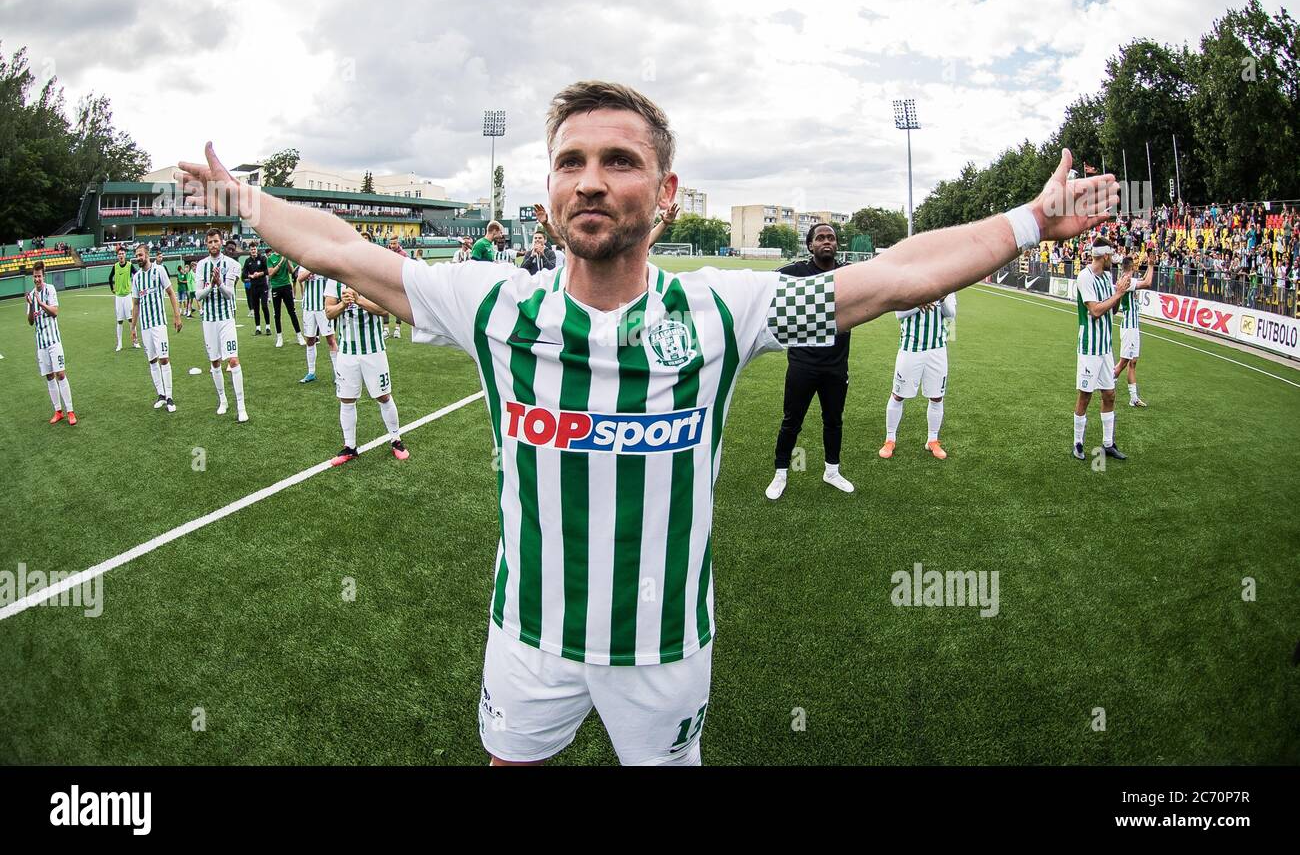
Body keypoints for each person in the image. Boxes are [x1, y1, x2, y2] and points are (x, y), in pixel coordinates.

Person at [178, 79, 1116, 767]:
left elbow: (892, 277)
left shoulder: (720, 313)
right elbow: (345, 251)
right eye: (571, 163)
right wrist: (246, 200)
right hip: (527, 634)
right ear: (548, 193)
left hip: (666, 647)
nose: (591, 181)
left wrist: (1031, 220)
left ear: (666, 192)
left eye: (620, 161)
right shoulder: (493, 305)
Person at [766, 223, 854, 498]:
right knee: (792, 420)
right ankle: (781, 473)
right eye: (820, 238)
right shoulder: (797, 271)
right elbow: (764, 286)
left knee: (833, 420)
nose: (826, 241)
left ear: (837, 244)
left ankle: (832, 471)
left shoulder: (848, 273)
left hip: (836, 366)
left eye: (831, 238)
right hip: (802, 364)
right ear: (810, 245)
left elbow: (883, 286)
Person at [323, 279, 408, 465]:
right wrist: (343, 304)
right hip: (346, 352)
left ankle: (396, 440)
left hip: (374, 350)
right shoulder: (333, 280)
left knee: (384, 396)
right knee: (346, 400)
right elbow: (329, 313)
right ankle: (350, 447)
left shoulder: (369, 275)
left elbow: (384, 309)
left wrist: (358, 300)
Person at [1073, 236, 1131, 460]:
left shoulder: (1107, 276)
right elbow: (1095, 311)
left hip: (1105, 347)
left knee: (1109, 394)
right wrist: (1116, 294)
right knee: (1085, 395)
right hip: (1089, 346)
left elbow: (1112, 310)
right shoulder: (1084, 277)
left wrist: (1119, 293)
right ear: (1105, 256)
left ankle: (1108, 444)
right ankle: (1077, 442)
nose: (1113, 263)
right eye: (1111, 258)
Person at [879, 293, 956, 460]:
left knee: (937, 397)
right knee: (898, 395)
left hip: (937, 349)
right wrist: (919, 303)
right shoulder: (911, 283)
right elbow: (898, 313)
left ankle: (932, 440)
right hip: (910, 348)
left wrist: (942, 300)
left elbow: (951, 315)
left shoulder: (948, 284)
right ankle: (890, 439)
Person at [194, 228, 249, 422]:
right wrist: (210, 285)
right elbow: (197, 295)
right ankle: (223, 400)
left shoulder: (232, 264)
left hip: (226, 319)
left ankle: (241, 406)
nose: (213, 245)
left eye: (216, 241)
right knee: (215, 362)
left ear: (221, 242)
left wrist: (219, 283)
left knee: (233, 360)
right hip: (209, 320)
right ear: (206, 244)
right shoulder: (201, 266)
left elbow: (229, 294)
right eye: (209, 242)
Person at [130, 242, 184, 412]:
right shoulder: (137, 277)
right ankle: (160, 394)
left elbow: (171, 293)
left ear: (147, 254)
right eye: (137, 255)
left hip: (159, 324)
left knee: (164, 359)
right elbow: (136, 304)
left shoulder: (159, 270)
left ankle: (169, 397)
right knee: (152, 360)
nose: (138, 258)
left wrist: (177, 316)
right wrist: (133, 328)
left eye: (141, 255)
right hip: (145, 326)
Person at [27, 261, 76, 425]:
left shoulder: (50, 290)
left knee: (60, 374)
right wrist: (31, 305)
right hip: (41, 343)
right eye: (34, 277)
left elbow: (55, 312)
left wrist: (41, 304)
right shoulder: (31, 295)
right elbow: (30, 322)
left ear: (43, 276)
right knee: (49, 377)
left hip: (54, 341)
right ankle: (58, 411)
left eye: (39, 276)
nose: (37, 279)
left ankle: (70, 411)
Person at [1112, 252, 1154, 407]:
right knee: (1124, 362)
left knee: (1133, 362)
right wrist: (1150, 264)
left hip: (1133, 326)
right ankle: (1108, 385)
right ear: (1132, 267)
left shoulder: (1128, 279)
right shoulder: (1126, 280)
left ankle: (1133, 398)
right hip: (1129, 326)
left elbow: (1144, 281)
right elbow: (1148, 283)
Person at [296, 265, 339, 384]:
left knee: (331, 340)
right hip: (309, 307)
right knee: (310, 339)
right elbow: (299, 278)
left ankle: (337, 373)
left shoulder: (324, 263)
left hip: (324, 308)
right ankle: (311, 372)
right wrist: (312, 269)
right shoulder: (305, 264)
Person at [265, 245, 305, 347]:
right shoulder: (270, 258)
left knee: (292, 311)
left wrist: (287, 261)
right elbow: (271, 273)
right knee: (277, 313)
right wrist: (281, 262)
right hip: (276, 287)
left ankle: (299, 335)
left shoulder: (285, 256)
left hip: (286, 286)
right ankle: (279, 337)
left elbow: (291, 271)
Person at [107, 246, 138, 351]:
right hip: (118, 297)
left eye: (122, 254)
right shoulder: (115, 266)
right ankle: (119, 344)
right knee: (119, 321)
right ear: (117, 256)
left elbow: (137, 275)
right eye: (119, 254)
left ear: (125, 255)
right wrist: (112, 288)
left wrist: (135, 287)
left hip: (128, 296)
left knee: (131, 319)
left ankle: (135, 341)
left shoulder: (130, 265)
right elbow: (109, 278)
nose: (121, 255)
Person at [241, 244, 271, 334]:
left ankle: (268, 327)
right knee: (256, 308)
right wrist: (250, 275)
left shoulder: (262, 259)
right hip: (253, 286)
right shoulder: (248, 261)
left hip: (263, 285)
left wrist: (259, 274)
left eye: (254, 249)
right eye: (251, 249)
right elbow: (244, 274)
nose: (253, 251)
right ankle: (258, 328)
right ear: (249, 251)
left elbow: (267, 271)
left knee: (264, 306)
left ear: (257, 250)